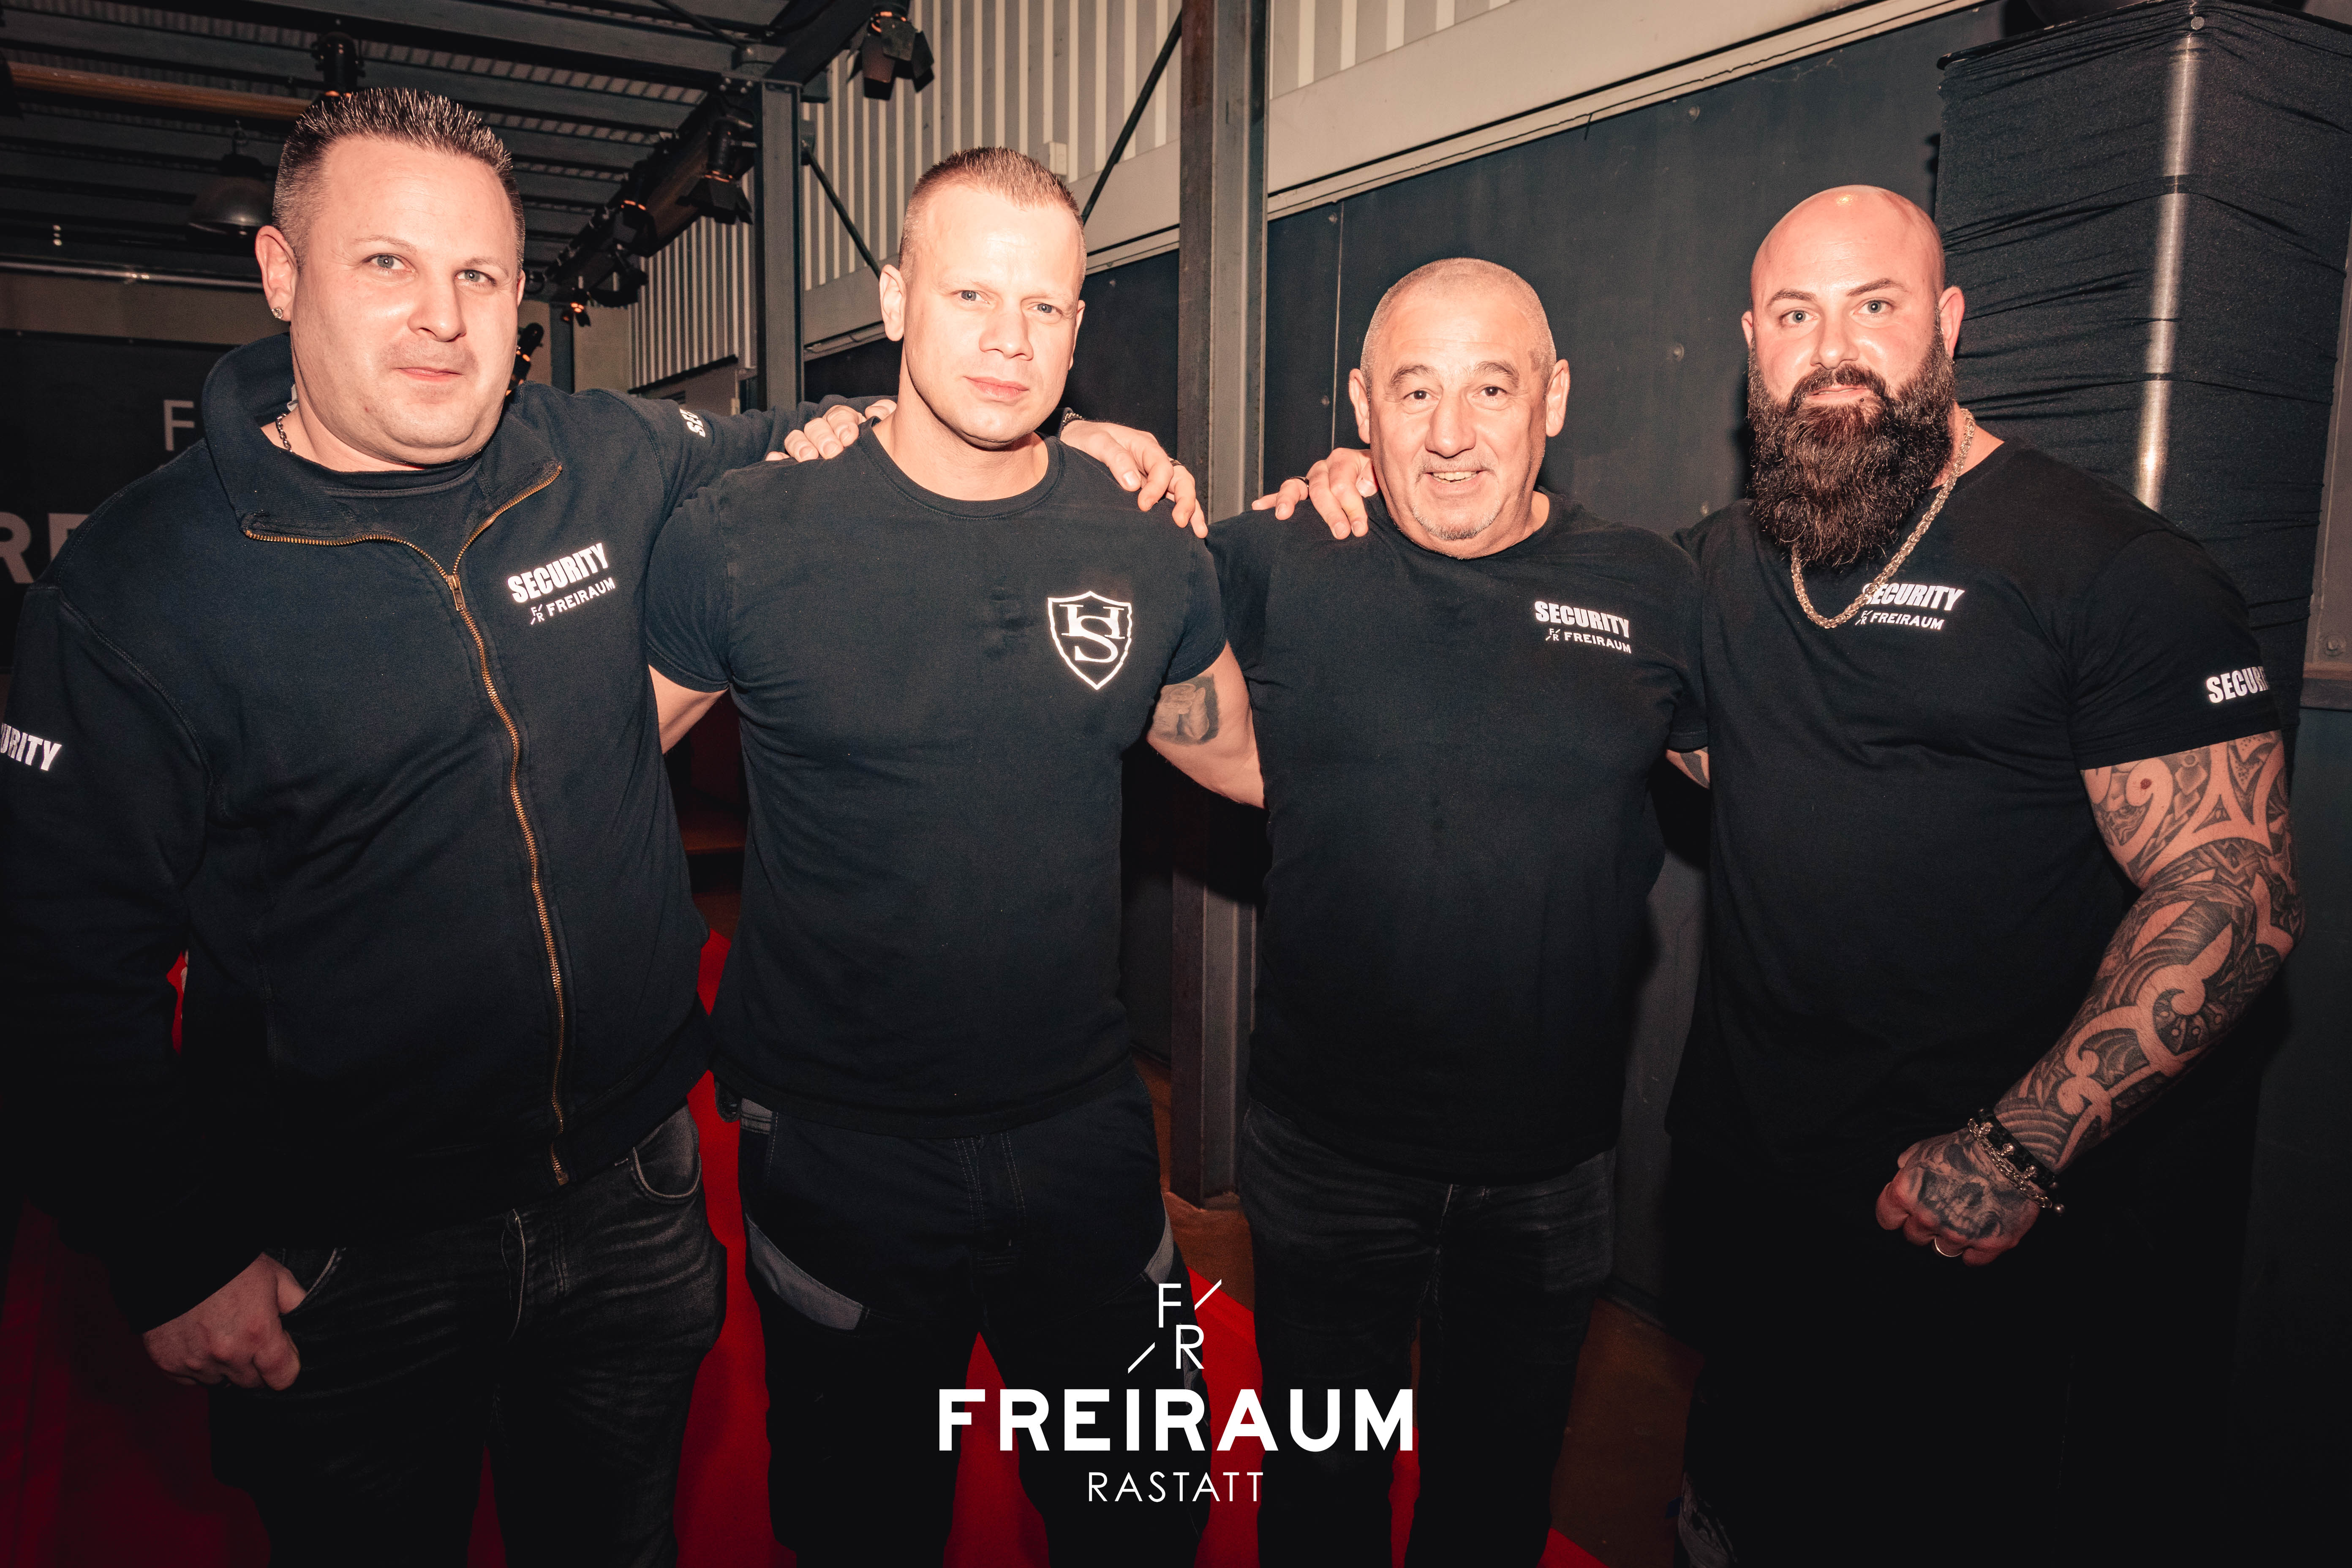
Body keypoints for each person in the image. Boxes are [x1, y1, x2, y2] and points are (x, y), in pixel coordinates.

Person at [0, 88, 1192, 1568]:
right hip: (349, 1243)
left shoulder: (608, 457)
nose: (442, 316)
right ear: (281, 272)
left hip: (628, 1192)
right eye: (387, 264)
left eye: (481, 274)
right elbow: (54, 960)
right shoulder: (142, 585)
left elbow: (867, 435)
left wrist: (1064, 442)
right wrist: (174, 1248)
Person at [1269, 187, 2299, 1567]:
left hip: (1968, 1205)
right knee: (1734, 1515)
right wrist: (1356, 492)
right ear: (1753, 344)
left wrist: (2021, 1144)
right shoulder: (1717, 568)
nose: (1834, 351)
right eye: (1797, 315)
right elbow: (1545, 655)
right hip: (1752, 1185)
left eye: (1875, 307)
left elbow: (2237, 890)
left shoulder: (2110, 569)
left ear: (1946, 324)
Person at [643, 148, 1261, 1568]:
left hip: (1086, 1134)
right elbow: (586, 773)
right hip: (837, 1147)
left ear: (1080, 327)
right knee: (862, 1531)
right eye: (971, 294)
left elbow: (1254, 763)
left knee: (1146, 1517)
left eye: (1044, 307)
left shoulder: (1145, 542)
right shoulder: (744, 537)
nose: (1008, 338)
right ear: (893, 299)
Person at [1206, 258, 1706, 1565]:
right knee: (1320, 1504)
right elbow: (1094, 600)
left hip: (1549, 1173)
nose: (1448, 434)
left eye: (1491, 389)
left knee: (1493, 1505)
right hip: (1324, 1159)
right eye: (1414, 391)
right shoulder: (1278, 556)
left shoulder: (1653, 587)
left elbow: (1785, 770)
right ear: (1361, 405)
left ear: (1555, 399)